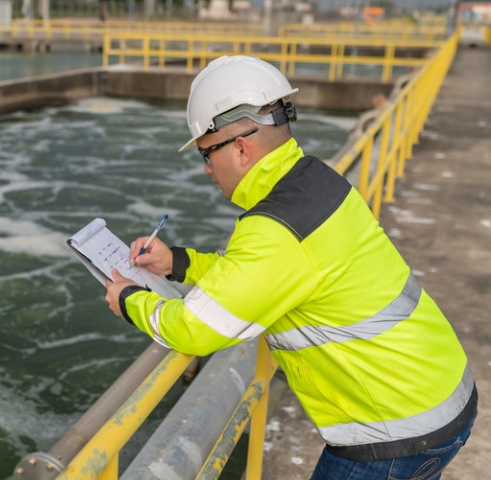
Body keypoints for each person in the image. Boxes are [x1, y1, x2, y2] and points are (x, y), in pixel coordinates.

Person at [104, 55, 476, 479]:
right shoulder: (315, 179)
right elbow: (258, 278)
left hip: (394, 432)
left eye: (206, 155)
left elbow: (195, 328)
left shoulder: (275, 228)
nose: (207, 169)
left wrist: (130, 298)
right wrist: (179, 263)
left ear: (241, 148)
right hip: (439, 394)